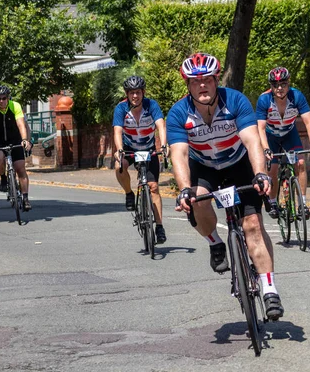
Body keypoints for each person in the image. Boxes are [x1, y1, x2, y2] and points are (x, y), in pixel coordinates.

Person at [166, 53, 284, 321]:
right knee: (197, 199)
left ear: (216, 79)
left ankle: (269, 289)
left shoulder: (236, 101)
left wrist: (261, 174)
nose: (203, 85)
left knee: (253, 225)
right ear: (188, 85)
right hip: (204, 167)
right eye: (196, 82)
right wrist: (184, 188)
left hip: (238, 164)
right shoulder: (178, 113)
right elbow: (179, 154)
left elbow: (252, 141)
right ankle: (215, 242)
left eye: (208, 79)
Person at [256, 67, 310, 220]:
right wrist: (265, 149)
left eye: (283, 84)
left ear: (288, 83)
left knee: (301, 163)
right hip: (271, 136)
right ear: (271, 86)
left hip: (290, 134)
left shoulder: (296, 96)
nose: (280, 88)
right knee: (273, 168)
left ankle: (302, 204)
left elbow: (309, 122)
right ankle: (273, 202)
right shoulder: (264, 100)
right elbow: (261, 128)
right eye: (275, 85)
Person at [113, 75, 168, 244]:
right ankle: (129, 193)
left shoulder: (151, 105)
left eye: (137, 92)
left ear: (143, 92)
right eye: (131, 93)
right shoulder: (121, 108)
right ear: (127, 94)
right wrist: (119, 150)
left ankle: (159, 226)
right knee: (118, 165)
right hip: (129, 147)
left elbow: (161, 126)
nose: (135, 96)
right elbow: (117, 131)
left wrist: (164, 146)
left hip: (148, 149)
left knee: (153, 187)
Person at [0, 85, 33, 211]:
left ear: (8, 97)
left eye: (4, 98)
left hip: (15, 139)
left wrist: (24, 140)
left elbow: (21, 124)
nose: (1, 101)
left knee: (20, 168)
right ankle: (3, 178)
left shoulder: (15, 106)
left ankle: (25, 198)